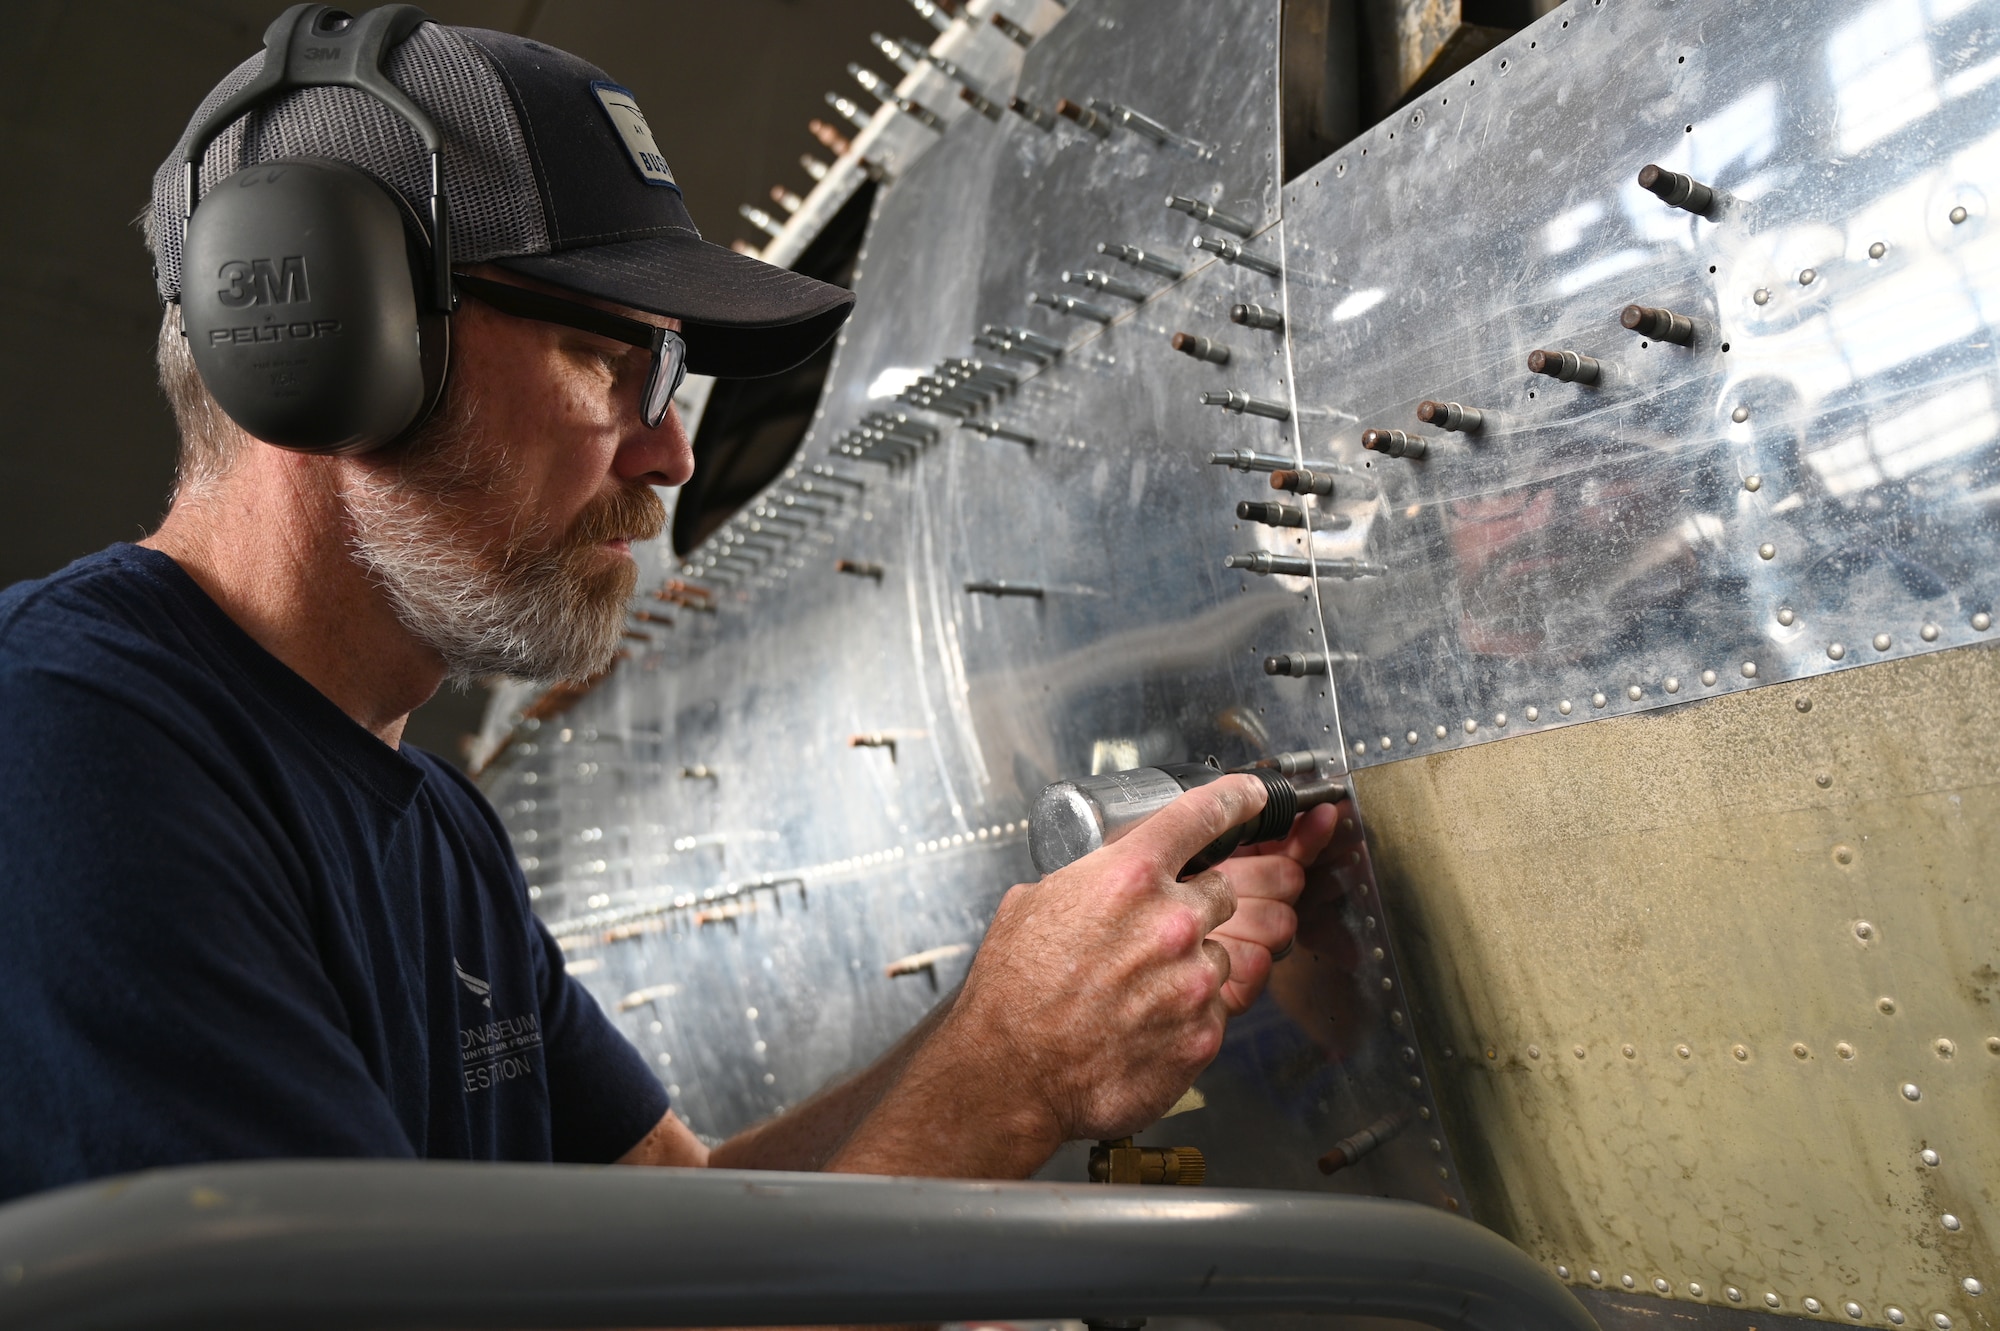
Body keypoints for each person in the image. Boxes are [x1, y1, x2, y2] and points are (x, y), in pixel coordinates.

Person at [0, 11, 1336, 1201]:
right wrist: (1008, 1081)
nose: (673, 454)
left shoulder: (437, 830)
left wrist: (1024, 1016)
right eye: (602, 358)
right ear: (319, 339)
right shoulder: (68, 756)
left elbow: (679, 1224)